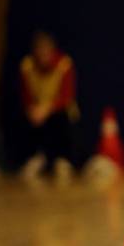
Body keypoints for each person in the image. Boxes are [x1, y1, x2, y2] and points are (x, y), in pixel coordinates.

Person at [19, 31, 78, 183]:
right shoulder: (28, 66)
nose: (43, 55)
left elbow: (66, 96)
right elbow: (26, 96)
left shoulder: (64, 64)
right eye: (39, 51)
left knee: (60, 120)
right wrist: (33, 110)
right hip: (38, 111)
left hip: (58, 110)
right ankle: (36, 156)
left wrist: (47, 109)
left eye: (46, 51)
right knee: (28, 118)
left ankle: (63, 159)